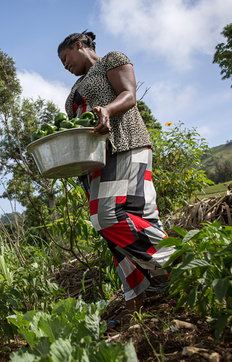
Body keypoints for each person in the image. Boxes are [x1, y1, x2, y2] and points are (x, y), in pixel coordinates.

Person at [58, 31, 175, 329]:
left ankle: (181, 265)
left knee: (107, 217)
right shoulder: (76, 86)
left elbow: (129, 95)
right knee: (126, 229)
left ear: (79, 46)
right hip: (95, 161)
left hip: (125, 145)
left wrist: (107, 109)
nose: (64, 65)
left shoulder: (112, 59)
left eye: (65, 57)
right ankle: (135, 301)